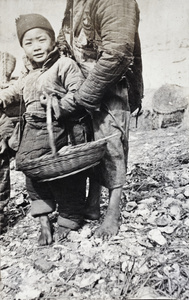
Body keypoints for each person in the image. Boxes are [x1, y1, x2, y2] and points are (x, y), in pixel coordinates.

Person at [0, 13, 93, 244]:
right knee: (30, 169)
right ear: (23, 48)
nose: (36, 47)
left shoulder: (64, 65)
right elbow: (11, 93)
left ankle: (69, 216)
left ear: (52, 40)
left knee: (66, 170)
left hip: (62, 127)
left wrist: (58, 104)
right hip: (33, 128)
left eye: (41, 39)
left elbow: (78, 93)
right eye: (28, 43)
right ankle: (43, 218)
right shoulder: (27, 75)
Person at [57, 0, 143, 239]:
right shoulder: (74, 2)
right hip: (83, 84)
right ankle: (92, 204)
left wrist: (82, 97)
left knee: (112, 143)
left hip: (115, 83)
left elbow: (118, 52)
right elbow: (65, 41)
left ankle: (113, 211)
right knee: (89, 141)